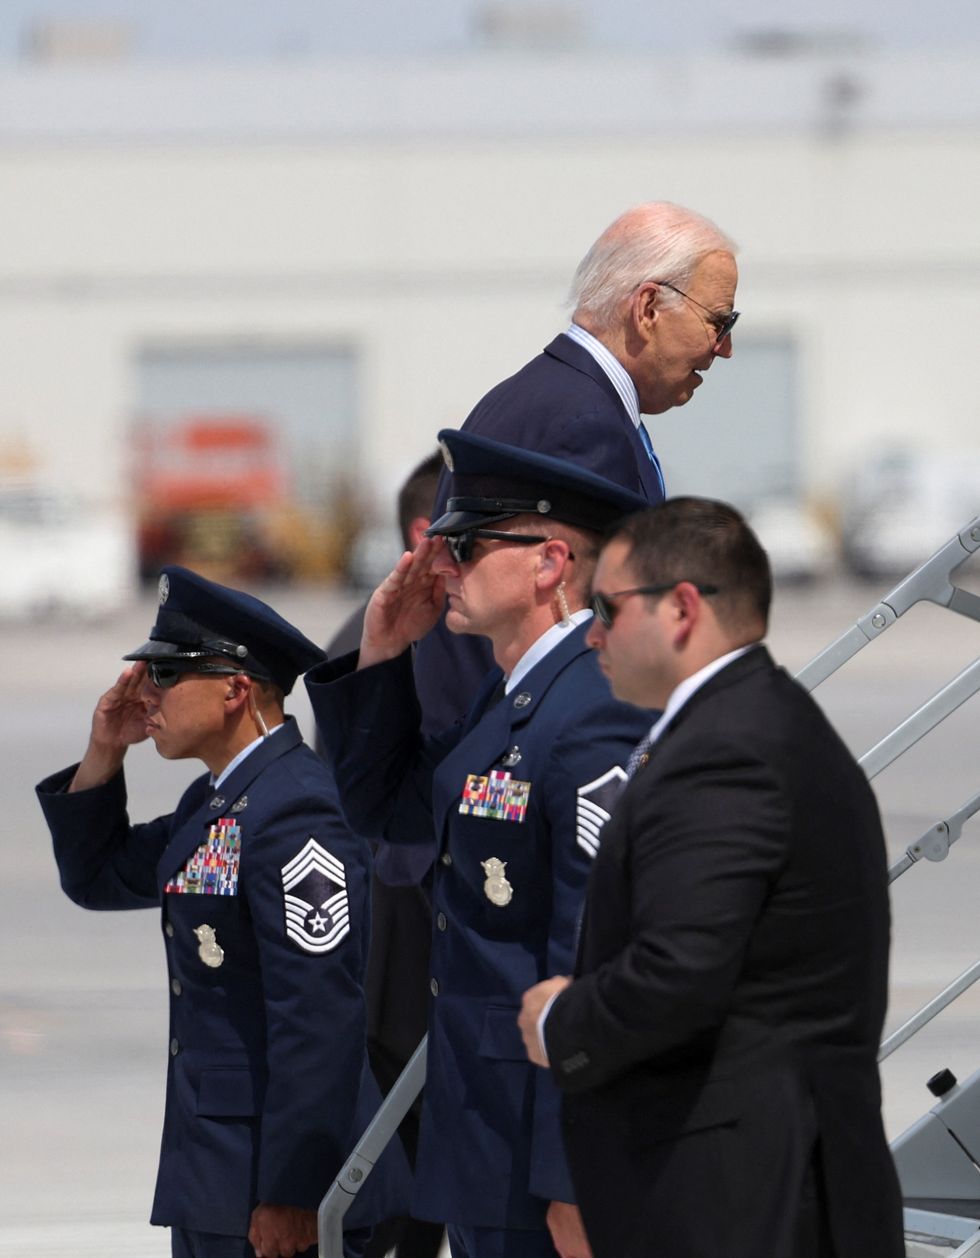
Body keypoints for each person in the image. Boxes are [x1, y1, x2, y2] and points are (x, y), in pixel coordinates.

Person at [517, 498, 905, 1258]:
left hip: (745, 1200)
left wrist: (562, 1021)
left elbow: (681, 970)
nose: (591, 632)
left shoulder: (726, 751)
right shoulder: (749, 722)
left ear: (682, 608)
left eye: (606, 606)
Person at [307, 430, 654, 1258]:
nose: (439, 565)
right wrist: (385, 652)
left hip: (542, 1152)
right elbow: (388, 816)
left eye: (461, 544)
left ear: (549, 564)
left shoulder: (593, 709)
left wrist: (574, 1179)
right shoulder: (509, 702)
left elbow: (595, 956)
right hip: (484, 1135)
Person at [36, 566, 407, 1258]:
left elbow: (318, 1011)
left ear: (236, 689)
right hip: (218, 1173)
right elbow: (96, 877)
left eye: (167, 675)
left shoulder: (298, 809)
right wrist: (104, 750)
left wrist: (297, 1192)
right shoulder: (214, 803)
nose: (146, 695)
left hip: (276, 1184)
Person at [416, 199, 739, 735]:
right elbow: (568, 623)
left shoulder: (548, 396)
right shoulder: (583, 422)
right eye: (718, 321)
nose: (723, 348)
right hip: (528, 760)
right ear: (649, 308)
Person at [319, 449, 446, 1258]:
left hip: (433, 920)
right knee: (397, 1176)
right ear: (422, 533)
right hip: (395, 926)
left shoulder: (461, 634)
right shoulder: (377, 641)